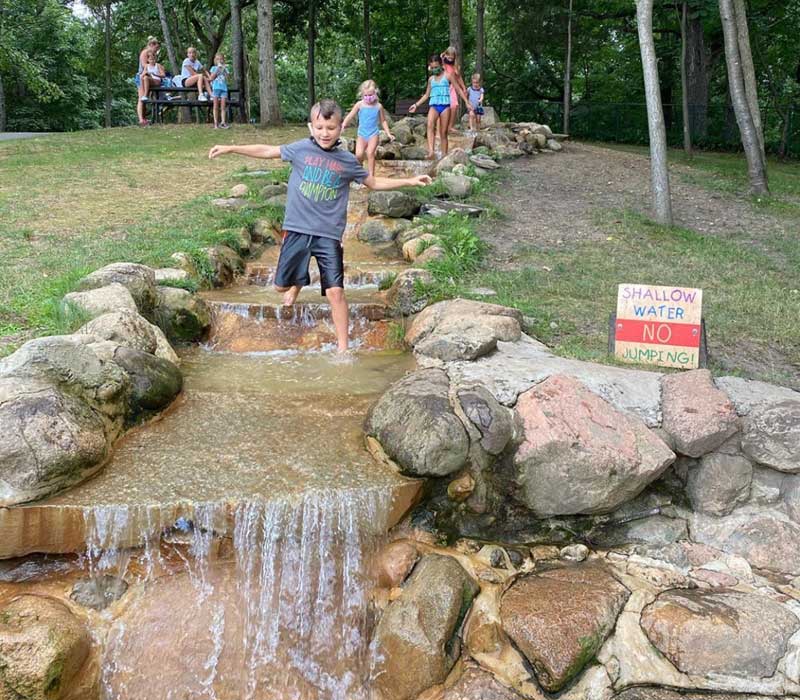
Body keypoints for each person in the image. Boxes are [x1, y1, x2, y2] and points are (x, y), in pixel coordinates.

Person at [208, 99, 432, 354]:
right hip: (297, 229)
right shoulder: (300, 149)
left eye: (331, 128)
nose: (325, 133)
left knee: (336, 292)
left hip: (328, 235)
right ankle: (296, 284)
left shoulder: (347, 161)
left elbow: (372, 182)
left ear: (340, 129)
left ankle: (343, 348)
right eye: (320, 127)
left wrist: (411, 181)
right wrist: (230, 147)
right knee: (279, 287)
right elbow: (267, 150)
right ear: (311, 127)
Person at [409, 54, 471, 159]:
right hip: (434, 105)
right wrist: (416, 105)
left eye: (436, 67)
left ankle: (444, 156)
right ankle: (431, 152)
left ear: (441, 64)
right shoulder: (431, 79)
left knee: (443, 133)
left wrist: (466, 102)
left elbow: (458, 89)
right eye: (432, 68)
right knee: (429, 125)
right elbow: (426, 95)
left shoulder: (448, 76)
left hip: (445, 107)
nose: (434, 69)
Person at [342, 80, 393, 178]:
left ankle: (371, 176)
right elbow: (350, 115)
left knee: (370, 153)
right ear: (362, 95)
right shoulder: (359, 105)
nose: (368, 98)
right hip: (362, 134)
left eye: (370, 95)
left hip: (373, 134)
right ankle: (359, 172)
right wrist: (343, 124)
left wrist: (388, 133)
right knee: (358, 155)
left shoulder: (378, 106)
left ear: (375, 93)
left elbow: (383, 121)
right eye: (366, 95)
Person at [440, 46, 470, 135]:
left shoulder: (455, 66)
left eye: (451, 57)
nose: (450, 58)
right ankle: (442, 126)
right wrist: (442, 58)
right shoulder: (443, 64)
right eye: (448, 56)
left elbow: (458, 77)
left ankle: (450, 126)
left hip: (453, 87)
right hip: (444, 86)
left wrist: (463, 87)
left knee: (455, 106)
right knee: (444, 106)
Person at [135, 36, 160, 126]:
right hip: (141, 76)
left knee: (146, 98)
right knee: (141, 97)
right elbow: (144, 64)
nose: (156, 50)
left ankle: (144, 118)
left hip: (149, 77)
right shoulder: (145, 52)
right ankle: (141, 119)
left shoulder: (152, 54)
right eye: (156, 48)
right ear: (151, 45)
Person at [210, 53, 230, 129]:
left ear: (223, 60)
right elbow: (211, 78)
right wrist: (218, 69)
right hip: (216, 88)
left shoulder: (225, 68)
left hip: (224, 89)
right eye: (218, 59)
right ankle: (215, 123)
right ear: (215, 60)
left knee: (223, 106)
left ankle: (223, 122)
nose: (220, 60)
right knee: (215, 106)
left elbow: (228, 78)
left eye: (221, 59)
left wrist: (224, 69)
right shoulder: (213, 68)